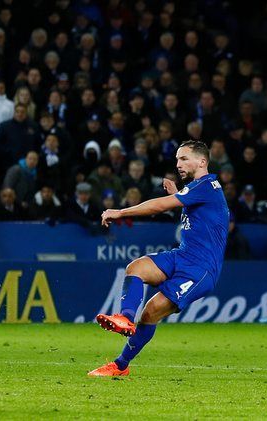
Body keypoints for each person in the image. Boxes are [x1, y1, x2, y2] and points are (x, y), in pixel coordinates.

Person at [89, 141, 228, 377]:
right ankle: (125, 318)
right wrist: (177, 194)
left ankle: (120, 365)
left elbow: (160, 206)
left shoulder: (207, 186)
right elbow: (198, 215)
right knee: (136, 267)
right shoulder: (198, 189)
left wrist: (120, 212)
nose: (178, 164)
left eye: (184, 159)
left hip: (201, 269)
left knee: (151, 311)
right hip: (182, 255)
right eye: (177, 159)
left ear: (202, 161)